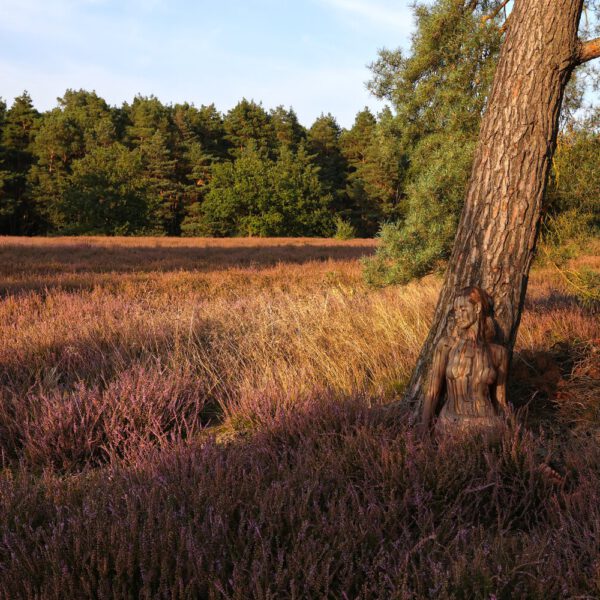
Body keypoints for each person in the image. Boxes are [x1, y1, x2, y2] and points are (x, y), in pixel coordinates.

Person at [420, 286, 510, 439]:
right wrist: (422, 434)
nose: (457, 315)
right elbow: (433, 393)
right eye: (455, 310)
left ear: (477, 308)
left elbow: (500, 400)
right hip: (450, 425)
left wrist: (511, 435)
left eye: (462, 309)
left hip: (489, 426)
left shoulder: (498, 353)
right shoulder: (446, 345)